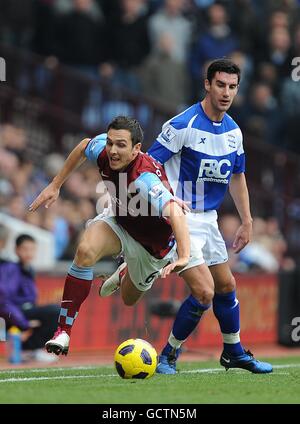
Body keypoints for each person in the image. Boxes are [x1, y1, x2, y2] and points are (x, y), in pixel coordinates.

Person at [146, 58, 273, 374]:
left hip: (209, 219)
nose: (226, 92)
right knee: (204, 291)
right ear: (207, 84)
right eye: (220, 85)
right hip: (178, 218)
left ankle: (233, 352)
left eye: (232, 87)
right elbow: (147, 166)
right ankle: (167, 355)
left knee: (227, 286)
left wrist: (247, 220)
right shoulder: (182, 125)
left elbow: (238, 176)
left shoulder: (234, 133)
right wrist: (165, 201)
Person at [29, 116, 194, 356]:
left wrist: (185, 255)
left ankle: (126, 270)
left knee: (128, 299)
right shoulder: (104, 152)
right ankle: (63, 330)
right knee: (85, 251)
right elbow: (84, 145)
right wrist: (56, 184)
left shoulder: (144, 178)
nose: (113, 151)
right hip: (120, 222)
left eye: (121, 145)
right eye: (110, 143)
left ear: (136, 149)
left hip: (152, 247)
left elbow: (175, 212)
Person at [0, 232, 60, 362]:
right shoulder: (10, 269)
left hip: (24, 312)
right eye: (24, 249)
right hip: (13, 315)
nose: (29, 253)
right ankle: (27, 350)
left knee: (58, 315)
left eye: (32, 249)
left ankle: (31, 350)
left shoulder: (29, 270)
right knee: (55, 312)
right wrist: (24, 324)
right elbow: (4, 301)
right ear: (16, 250)